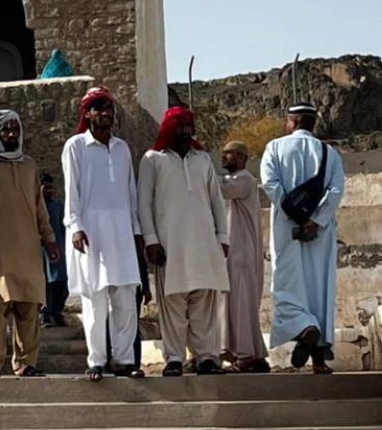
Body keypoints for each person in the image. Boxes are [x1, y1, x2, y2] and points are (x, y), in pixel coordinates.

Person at [138, 106, 229, 376]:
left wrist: (222, 237)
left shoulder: (202, 159)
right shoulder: (152, 160)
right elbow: (143, 204)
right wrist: (151, 240)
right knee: (173, 306)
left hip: (204, 244)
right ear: (168, 128)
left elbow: (216, 200)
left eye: (188, 125)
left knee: (204, 305)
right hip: (169, 246)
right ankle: (175, 358)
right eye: (180, 125)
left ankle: (206, 358)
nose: (185, 130)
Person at [62, 87, 144, 381]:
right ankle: (96, 360)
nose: (105, 113)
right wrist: (75, 226)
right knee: (95, 299)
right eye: (98, 108)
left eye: (108, 108)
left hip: (122, 232)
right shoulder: (75, 146)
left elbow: (131, 192)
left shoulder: (122, 148)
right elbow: (71, 190)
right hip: (91, 233)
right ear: (87, 113)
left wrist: (136, 230)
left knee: (125, 297)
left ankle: (124, 360)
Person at [0, 109, 59, 377]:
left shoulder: (29, 166)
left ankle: (25, 363)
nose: (11, 134)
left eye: (15, 129)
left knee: (29, 308)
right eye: (6, 130)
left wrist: (49, 239)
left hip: (28, 251)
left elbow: (39, 207)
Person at [261, 103, 345, 373]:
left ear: (293, 121)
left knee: (286, 287)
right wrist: (316, 219)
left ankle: (305, 328)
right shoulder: (329, 153)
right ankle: (319, 362)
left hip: (287, 229)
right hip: (319, 231)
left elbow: (270, 184)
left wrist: (294, 213)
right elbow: (335, 191)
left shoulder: (275, 147)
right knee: (319, 290)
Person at [220, 139, 270, 372]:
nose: (224, 157)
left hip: (241, 252)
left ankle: (245, 355)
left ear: (242, 158)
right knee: (236, 304)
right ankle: (254, 356)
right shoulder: (233, 180)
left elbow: (220, 188)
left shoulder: (244, 180)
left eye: (229, 153)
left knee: (241, 304)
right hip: (234, 252)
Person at [39, 172, 68, 327]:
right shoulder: (35, 207)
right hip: (42, 251)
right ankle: (44, 315)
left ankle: (57, 312)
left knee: (61, 283)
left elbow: (63, 228)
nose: (49, 191)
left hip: (59, 250)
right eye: (46, 188)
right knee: (45, 284)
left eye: (51, 188)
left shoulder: (58, 206)